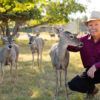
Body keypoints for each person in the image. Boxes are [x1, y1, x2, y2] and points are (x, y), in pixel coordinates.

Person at [67, 11, 100, 95]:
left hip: (96, 68)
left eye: (96, 24)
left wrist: (95, 66)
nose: (93, 27)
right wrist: (65, 41)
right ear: (88, 27)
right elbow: (72, 47)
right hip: (91, 72)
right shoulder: (83, 40)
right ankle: (92, 90)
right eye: (90, 25)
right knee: (73, 85)